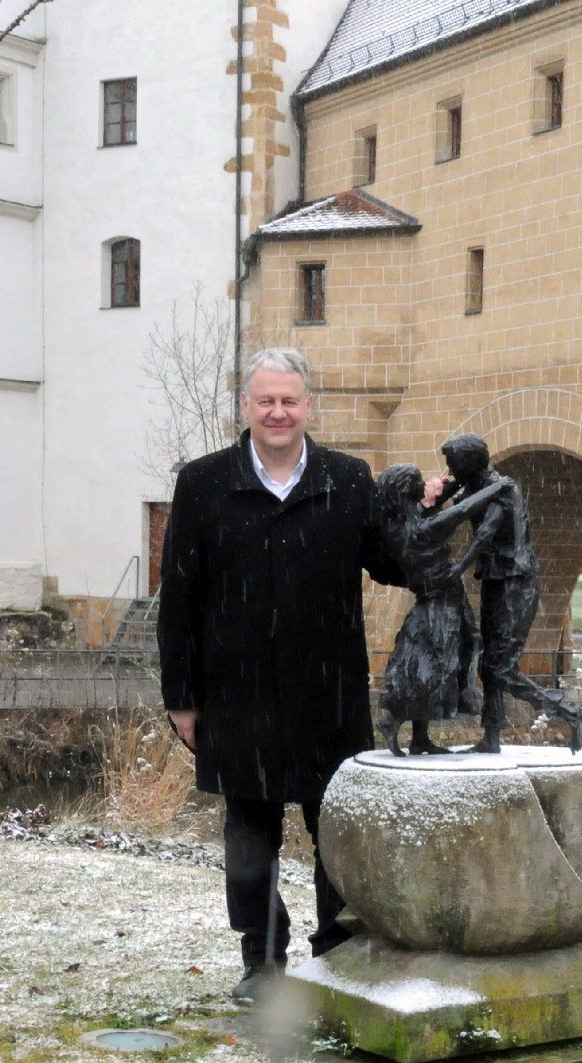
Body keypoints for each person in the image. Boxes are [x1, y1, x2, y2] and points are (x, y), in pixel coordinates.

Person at [158, 347, 403, 1003]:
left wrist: (424, 517)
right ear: (246, 406)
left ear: (308, 406)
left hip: (330, 693)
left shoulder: (348, 481)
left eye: (289, 400)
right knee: (250, 841)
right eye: (265, 400)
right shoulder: (204, 483)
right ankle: (262, 962)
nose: (277, 412)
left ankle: (339, 954)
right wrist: (180, 697)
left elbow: (390, 560)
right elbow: (178, 596)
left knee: (340, 837)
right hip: (237, 695)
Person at [438, 434, 582, 752]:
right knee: (488, 662)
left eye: (453, 463)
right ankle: (491, 735)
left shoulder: (504, 491)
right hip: (496, 580)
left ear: (469, 463)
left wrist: (457, 568)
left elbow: (484, 536)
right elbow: (450, 510)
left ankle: (566, 712)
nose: (449, 468)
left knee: (501, 667)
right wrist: (445, 489)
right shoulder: (477, 485)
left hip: (515, 584)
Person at [372, 463, 505, 756]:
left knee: (444, 657)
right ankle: (393, 720)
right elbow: (459, 513)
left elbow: (443, 504)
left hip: (446, 599)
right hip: (438, 603)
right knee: (436, 665)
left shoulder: (403, 519)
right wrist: (497, 488)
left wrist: (460, 481)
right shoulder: (418, 529)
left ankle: (420, 737)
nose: (424, 486)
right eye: (418, 482)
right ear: (407, 491)